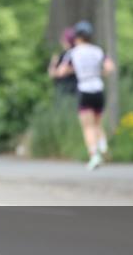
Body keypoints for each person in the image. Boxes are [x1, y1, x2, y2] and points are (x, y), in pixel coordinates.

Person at [55, 20, 116, 170]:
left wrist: (76, 70)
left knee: (88, 126)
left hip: (84, 88)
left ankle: (94, 155)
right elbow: (110, 67)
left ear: (77, 36)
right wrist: (99, 73)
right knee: (97, 123)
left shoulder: (73, 52)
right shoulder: (98, 50)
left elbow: (61, 71)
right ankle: (103, 145)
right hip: (98, 88)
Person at [47, 27, 78, 97]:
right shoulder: (66, 54)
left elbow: (57, 73)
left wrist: (53, 63)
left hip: (69, 90)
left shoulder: (70, 54)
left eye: (64, 39)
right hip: (73, 90)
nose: (62, 41)